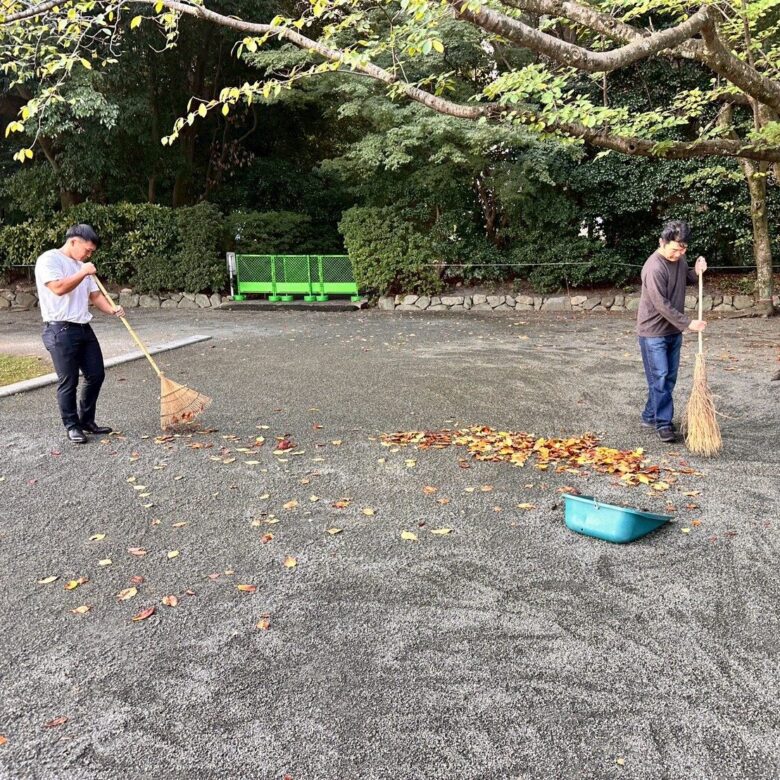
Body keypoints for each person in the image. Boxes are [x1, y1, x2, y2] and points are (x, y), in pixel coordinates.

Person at [34, 224, 125, 444]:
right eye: (87, 250)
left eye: (91, 252)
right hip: (59, 329)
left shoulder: (83, 266)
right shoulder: (49, 260)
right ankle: (72, 426)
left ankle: (86, 421)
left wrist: (111, 309)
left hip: (83, 327)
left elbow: (95, 296)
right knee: (69, 380)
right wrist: (83, 271)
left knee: (96, 374)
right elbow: (57, 288)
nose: (89, 254)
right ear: (74, 241)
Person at [637, 220, 707, 444]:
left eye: (683, 249)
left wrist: (697, 272)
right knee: (660, 377)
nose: (679, 253)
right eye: (675, 249)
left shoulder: (680, 257)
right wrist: (688, 323)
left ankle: (650, 415)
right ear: (662, 242)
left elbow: (686, 275)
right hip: (653, 332)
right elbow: (661, 304)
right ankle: (664, 423)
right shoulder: (653, 267)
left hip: (672, 331)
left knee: (668, 377)